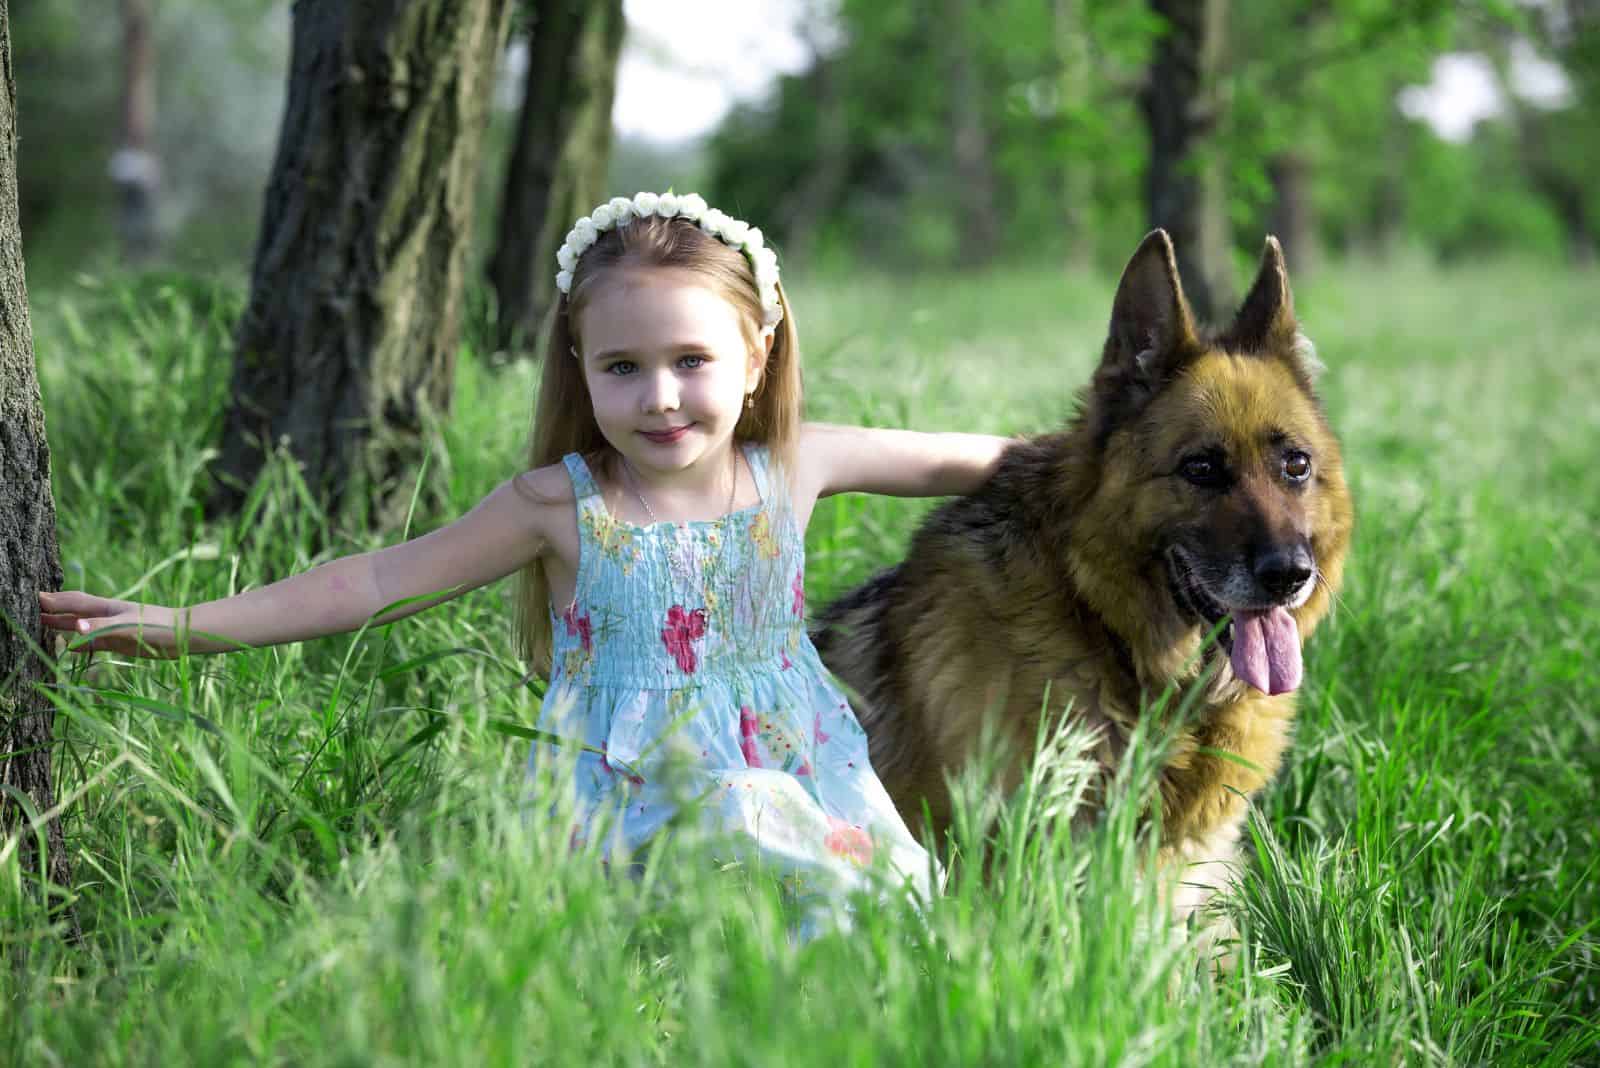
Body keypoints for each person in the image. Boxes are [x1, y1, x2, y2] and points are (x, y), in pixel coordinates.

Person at [39, 191, 1011, 930]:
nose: (660, 397)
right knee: (738, 825)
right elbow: (374, 581)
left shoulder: (797, 463)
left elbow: (975, 460)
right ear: (580, 365)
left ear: (756, 356)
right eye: (621, 368)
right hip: (636, 796)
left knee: (892, 903)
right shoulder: (561, 506)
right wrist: (180, 627)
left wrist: (1128, 447)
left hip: (805, 772)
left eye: (692, 360)